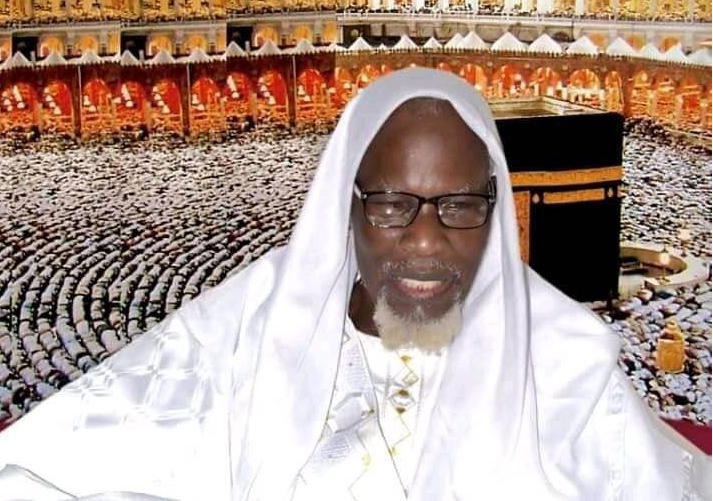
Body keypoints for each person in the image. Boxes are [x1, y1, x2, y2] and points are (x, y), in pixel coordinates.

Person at [0, 67, 710, 500]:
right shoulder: (238, 335)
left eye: (460, 204)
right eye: (392, 205)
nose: (426, 242)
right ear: (342, 206)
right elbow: (42, 471)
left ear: (494, 213)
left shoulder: (566, 364)